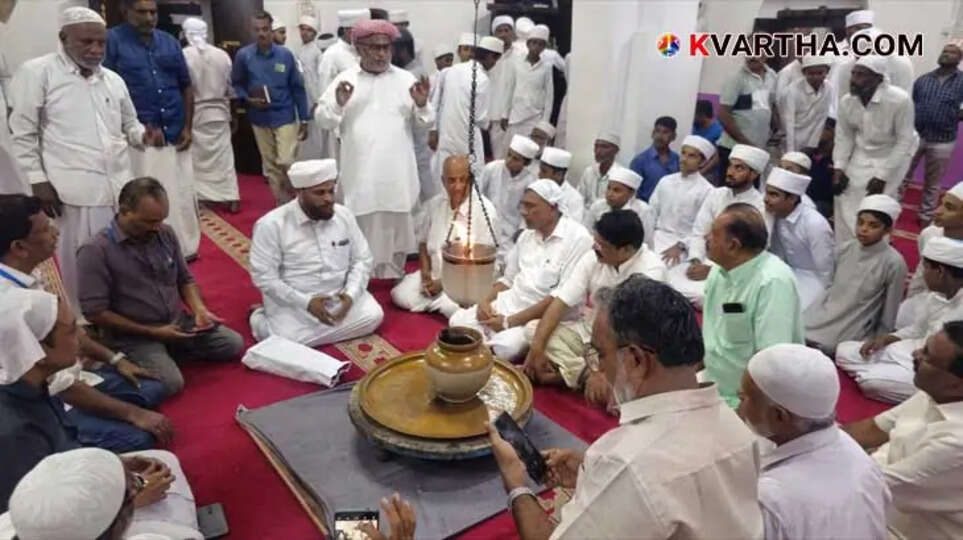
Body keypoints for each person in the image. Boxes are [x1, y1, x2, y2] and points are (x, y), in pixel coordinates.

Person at [487, 276, 763, 538]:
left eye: (600, 355)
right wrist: (593, 476)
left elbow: (646, 477)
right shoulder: (736, 427)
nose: (599, 369)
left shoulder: (628, 462)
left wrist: (516, 484)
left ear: (636, 360)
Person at [0, 288, 203, 538]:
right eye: (71, 331)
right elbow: (35, 523)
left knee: (163, 460)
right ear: (37, 352)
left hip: (75, 491)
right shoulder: (12, 433)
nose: (82, 336)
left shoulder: (33, 383)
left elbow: (65, 455)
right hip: (67, 527)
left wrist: (115, 466)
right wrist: (129, 501)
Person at [0, 193, 172, 452]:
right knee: (139, 438)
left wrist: (116, 360)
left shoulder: (25, 273)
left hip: (65, 378)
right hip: (43, 401)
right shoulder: (10, 308)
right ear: (19, 247)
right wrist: (133, 414)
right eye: (45, 229)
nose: (56, 232)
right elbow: (54, 382)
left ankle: (98, 411)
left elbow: (67, 331)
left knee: (155, 387)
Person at [9, 7, 147, 316]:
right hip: (73, 190)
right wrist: (37, 179)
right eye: (87, 42)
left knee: (123, 258)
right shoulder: (38, 73)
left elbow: (130, 124)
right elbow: (23, 132)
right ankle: (85, 322)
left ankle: (123, 317)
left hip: (119, 188)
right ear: (63, 38)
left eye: (101, 43)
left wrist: (143, 136)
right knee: (81, 262)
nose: (96, 50)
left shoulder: (113, 79)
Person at [77, 178, 243, 396]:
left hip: (176, 323)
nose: (156, 227)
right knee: (171, 382)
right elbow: (95, 312)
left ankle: (164, 352)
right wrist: (153, 332)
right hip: (134, 334)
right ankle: (123, 360)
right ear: (124, 211)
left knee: (232, 344)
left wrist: (199, 309)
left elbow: (185, 279)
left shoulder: (164, 233)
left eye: (161, 219)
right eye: (148, 222)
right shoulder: (95, 250)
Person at [316, 20, 433, 279]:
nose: (381, 54)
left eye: (385, 47)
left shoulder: (405, 79)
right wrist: (338, 104)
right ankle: (360, 278)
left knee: (397, 227)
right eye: (374, 48)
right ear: (359, 48)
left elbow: (425, 122)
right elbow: (323, 120)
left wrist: (422, 105)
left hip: (397, 174)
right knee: (361, 227)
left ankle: (393, 274)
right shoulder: (345, 80)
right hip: (361, 174)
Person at [738, 344, 890, 540]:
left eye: (744, 397)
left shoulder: (772, 499)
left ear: (779, 416)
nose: (739, 403)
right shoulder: (856, 453)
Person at [449, 180, 592, 362]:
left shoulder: (578, 239)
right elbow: (507, 280)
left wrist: (509, 322)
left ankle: (483, 348)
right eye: (523, 205)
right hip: (510, 303)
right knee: (457, 321)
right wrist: (485, 301)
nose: (524, 212)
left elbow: (558, 299)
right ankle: (484, 347)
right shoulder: (526, 236)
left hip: (539, 318)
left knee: (506, 347)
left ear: (553, 208)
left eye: (530, 206)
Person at [844, 322, 963, 539]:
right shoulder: (935, 394)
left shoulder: (957, 443)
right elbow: (871, 429)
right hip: (875, 497)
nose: (915, 354)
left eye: (927, 356)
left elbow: (871, 489)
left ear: (957, 385)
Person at [523, 210, 666, 389]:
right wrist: (536, 349)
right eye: (595, 242)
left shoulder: (651, 274)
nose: (594, 248)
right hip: (589, 332)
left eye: (602, 245)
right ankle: (585, 375)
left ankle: (574, 375)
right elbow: (560, 302)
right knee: (533, 330)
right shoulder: (594, 257)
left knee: (630, 373)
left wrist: (604, 361)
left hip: (626, 346)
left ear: (626, 249)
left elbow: (636, 337)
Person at [249, 159, 383, 347]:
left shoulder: (344, 216)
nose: (329, 199)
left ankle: (302, 333)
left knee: (373, 316)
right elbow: (264, 277)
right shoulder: (271, 225)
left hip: (338, 299)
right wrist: (307, 303)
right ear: (299, 193)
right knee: (285, 341)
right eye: (320, 193)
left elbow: (362, 260)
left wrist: (349, 296)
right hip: (295, 305)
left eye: (331, 191)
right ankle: (259, 319)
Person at [105, 0, 199, 259]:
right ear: (125, 11)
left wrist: (188, 127)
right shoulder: (112, 41)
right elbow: (106, 89)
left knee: (181, 194)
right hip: (139, 138)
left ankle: (184, 248)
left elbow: (186, 86)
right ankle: (147, 249)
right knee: (143, 198)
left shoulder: (169, 42)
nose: (149, 17)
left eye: (153, 12)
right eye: (141, 12)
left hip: (175, 130)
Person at [837, 236, 963, 403]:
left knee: (871, 383)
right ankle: (884, 371)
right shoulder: (935, 295)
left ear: (940, 272)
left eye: (925, 268)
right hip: (913, 351)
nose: (922, 274)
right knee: (843, 350)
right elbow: (917, 330)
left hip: (938, 370)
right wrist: (887, 339)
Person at [702, 203, 803, 407]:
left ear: (733, 245)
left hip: (747, 401)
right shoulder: (718, 271)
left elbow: (771, 360)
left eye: (713, 234)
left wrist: (746, 407)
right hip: (712, 384)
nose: (706, 237)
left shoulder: (772, 282)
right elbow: (710, 332)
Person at [391, 156, 497, 318]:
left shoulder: (485, 210)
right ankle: (438, 302)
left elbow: (482, 263)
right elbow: (423, 243)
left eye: (463, 180)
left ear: (470, 180)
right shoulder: (435, 204)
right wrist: (426, 275)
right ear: (443, 181)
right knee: (400, 295)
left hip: (466, 282)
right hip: (435, 274)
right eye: (452, 181)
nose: (458, 186)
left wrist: (443, 284)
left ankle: (441, 303)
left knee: (454, 308)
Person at [668, 144, 768, 307]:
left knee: (706, 296)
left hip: (732, 270)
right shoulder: (716, 194)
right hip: (704, 259)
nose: (730, 172)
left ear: (753, 174)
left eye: (739, 168)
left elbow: (755, 252)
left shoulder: (760, 206)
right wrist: (696, 260)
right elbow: (699, 232)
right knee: (668, 281)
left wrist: (712, 272)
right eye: (730, 166)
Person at [806, 195, 907, 354]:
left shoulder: (894, 262)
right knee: (799, 327)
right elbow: (830, 286)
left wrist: (880, 338)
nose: (864, 229)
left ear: (887, 230)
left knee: (832, 346)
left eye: (873, 225)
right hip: (829, 310)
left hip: (856, 319)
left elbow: (890, 309)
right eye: (860, 222)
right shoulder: (844, 249)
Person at [833, 56, 917, 244]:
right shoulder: (847, 101)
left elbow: (904, 140)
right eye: (853, 73)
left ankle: (876, 249)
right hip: (862, 151)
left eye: (861, 75)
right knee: (844, 194)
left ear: (878, 79)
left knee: (877, 204)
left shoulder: (900, 100)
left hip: (894, 154)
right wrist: (839, 168)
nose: (854, 79)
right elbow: (844, 136)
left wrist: (883, 176)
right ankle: (846, 248)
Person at [232, 11, 309, 207]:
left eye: (265, 29)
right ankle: (282, 203)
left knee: (286, 160)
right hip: (259, 118)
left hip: (285, 115)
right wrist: (247, 99)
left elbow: (297, 88)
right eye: (257, 30)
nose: (261, 34)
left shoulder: (285, 55)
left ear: (271, 29)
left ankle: (297, 196)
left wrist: (304, 118)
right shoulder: (244, 56)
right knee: (271, 165)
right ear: (251, 31)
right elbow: (237, 84)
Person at [181, 17, 239, 213]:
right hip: (219, 114)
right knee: (224, 159)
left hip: (194, 115)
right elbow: (230, 89)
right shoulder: (222, 55)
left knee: (198, 161)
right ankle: (231, 196)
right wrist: (234, 114)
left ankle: (202, 198)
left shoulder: (183, 56)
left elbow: (183, 90)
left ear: (186, 34)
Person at [902, 43, 963, 226]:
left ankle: (926, 216)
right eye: (944, 51)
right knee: (902, 175)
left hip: (943, 140)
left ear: (959, 59)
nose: (946, 54)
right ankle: (892, 209)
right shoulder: (923, 80)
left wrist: (953, 115)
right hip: (916, 136)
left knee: (933, 182)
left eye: (952, 52)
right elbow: (910, 104)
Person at [430, 36, 501, 180]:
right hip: (467, 138)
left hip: (447, 134)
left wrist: (433, 129)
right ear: (489, 56)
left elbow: (435, 103)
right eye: (495, 59)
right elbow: (480, 118)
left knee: (446, 174)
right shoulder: (482, 79)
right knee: (471, 177)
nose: (494, 64)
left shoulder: (450, 70)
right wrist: (488, 123)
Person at [764, 167, 834, 310]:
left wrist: (827, 299)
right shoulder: (773, 214)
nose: (766, 199)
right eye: (766, 192)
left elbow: (826, 269)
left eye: (773, 195)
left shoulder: (814, 223)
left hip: (815, 279)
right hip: (787, 273)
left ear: (792, 198)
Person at [898, 182, 963, 328]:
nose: (938, 211)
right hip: (923, 304)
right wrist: (910, 306)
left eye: (949, 208)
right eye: (941, 204)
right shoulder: (930, 234)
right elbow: (920, 278)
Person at [648, 134, 715, 259]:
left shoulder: (708, 191)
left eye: (691, 156)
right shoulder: (665, 181)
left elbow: (702, 229)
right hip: (655, 237)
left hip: (685, 245)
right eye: (683, 153)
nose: (684, 159)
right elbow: (651, 213)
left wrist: (681, 246)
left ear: (702, 162)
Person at [479, 134, 538, 267]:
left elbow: (527, 209)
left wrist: (521, 229)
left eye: (516, 159)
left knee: (507, 263)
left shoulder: (531, 181)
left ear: (526, 163)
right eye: (509, 155)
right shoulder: (492, 168)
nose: (509, 160)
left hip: (510, 232)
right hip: (486, 223)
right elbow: (478, 193)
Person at [717, 54, 777, 180]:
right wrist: (745, 143)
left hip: (757, 150)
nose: (752, 56)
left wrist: (775, 131)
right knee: (729, 189)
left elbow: (769, 106)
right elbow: (723, 114)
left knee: (751, 188)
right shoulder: (736, 77)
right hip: (733, 148)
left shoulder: (772, 76)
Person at [502, 25, 553, 147]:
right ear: (528, 44)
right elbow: (510, 89)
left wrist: (544, 122)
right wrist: (505, 114)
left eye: (541, 44)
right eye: (534, 42)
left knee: (530, 150)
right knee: (512, 149)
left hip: (535, 118)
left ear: (544, 47)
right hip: (516, 116)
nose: (537, 46)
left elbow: (549, 96)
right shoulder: (517, 62)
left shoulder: (547, 67)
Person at [583, 167, 654, 246]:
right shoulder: (598, 205)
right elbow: (586, 232)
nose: (610, 194)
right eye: (608, 188)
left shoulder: (642, 211)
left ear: (631, 193)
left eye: (616, 190)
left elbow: (645, 242)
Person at [780, 55, 834, 154]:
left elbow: (822, 118)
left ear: (827, 72)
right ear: (804, 73)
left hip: (815, 140)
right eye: (811, 74)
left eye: (820, 73)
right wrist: (790, 152)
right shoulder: (792, 90)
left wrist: (813, 144)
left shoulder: (828, 88)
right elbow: (788, 123)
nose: (816, 77)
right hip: (794, 138)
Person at [488, 15, 520, 159]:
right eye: (499, 31)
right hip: (495, 116)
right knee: (498, 158)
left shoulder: (521, 55)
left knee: (516, 157)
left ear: (513, 33)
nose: (503, 34)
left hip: (517, 116)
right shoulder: (489, 58)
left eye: (507, 30)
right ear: (494, 34)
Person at [295, 15, 326, 162]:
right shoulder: (298, 50)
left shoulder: (317, 53)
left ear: (314, 33)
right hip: (302, 98)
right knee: (303, 138)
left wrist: (317, 101)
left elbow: (321, 79)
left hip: (314, 100)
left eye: (309, 30)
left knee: (315, 137)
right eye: (303, 29)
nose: (305, 33)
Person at [628, 116, 679, 201]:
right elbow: (631, 192)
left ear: (673, 136)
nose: (659, 136)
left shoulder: (677, 160)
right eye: (657, 131)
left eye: (665, 132)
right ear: (652, 133)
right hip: (645, 207)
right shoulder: (640, 161)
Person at [318, 9, 367, 93]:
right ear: (346, 30)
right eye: (356, 32)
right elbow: (324, 89)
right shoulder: (331, 54)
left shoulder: (363, 51)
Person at [538, 147, 584, 224]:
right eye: (540, 170)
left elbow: (573, 226)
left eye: (544, 171)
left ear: (559, 175)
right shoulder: (536, 188)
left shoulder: (574, 198)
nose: (539, 174)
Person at [575, 132, 621, 208]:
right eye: (596, 146)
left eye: (604, 147)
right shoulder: (589, 171)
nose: (598, 151)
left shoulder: (620, 175)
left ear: (616, 150)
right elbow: (579, 198)